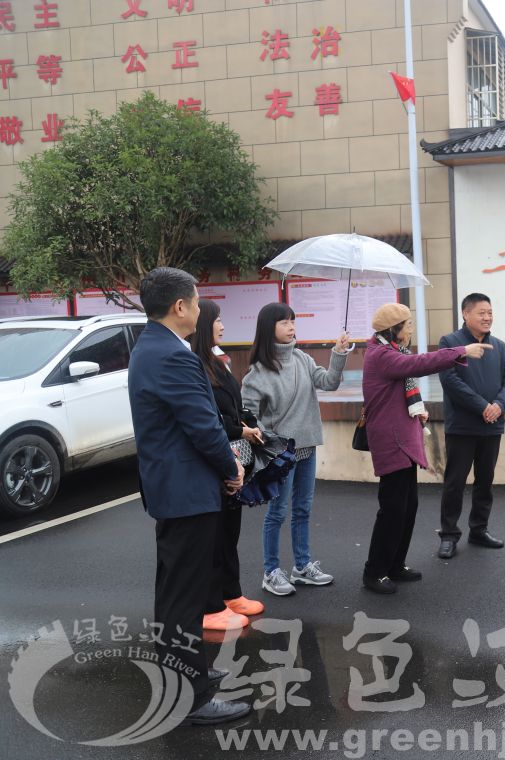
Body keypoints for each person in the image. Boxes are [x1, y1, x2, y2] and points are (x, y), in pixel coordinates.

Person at [127, 267, 250, 725]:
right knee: (184, 598)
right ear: (180, 307)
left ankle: (190, 673)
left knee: (178, 591)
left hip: (175, 489)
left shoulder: (153, 347)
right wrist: (231, 466)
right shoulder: (172, 355)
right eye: (197, 302)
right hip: (186, 490)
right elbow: (201, 425)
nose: (201, 310)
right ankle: (188, 697)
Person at [360, 303, 491, 594]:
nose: (410, 330)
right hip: (391, 440)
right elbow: (419, 364)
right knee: (392, 509)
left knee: (408, 507)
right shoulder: (381, 355)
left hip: (403, 438)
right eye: (407, 325)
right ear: (393, 329)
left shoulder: (392, 352)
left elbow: (408, 373)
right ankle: (375, 572)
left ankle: (395, 565)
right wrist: (460, 351)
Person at [242, 302, 352, 597]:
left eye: (293, 321)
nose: (291, 327)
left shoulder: (302, 358)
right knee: (277, 513)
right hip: (282, 455)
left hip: (307, 447)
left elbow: (329, 383)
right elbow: (248, 418)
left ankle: (302, 567)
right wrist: (269, 440)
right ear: (269, 329)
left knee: (302, 509)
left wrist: (338, 353)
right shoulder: (257, 374)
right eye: (284, 322)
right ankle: (271, 572)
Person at [190, 299, 265, 631]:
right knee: (213, 536)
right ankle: (210, 605)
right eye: (217, 320)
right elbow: (209, 418)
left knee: (229, 532)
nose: (222, 325)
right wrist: (239, 429)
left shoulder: (216, 361)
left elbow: (234, 406)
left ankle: (230, 594)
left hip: (237, 457)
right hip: (216, 461)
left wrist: (250, 423)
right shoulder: (193, 363)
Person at [436, 293, 505, 560]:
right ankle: (448, 535)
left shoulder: (500, 346)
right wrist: (482, 406)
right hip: (462, 426)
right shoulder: (450, 343)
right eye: (481, 312)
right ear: (465, 314)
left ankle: (479, 529)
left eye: (490, 312)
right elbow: (450, 381)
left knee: (485, 481)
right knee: (455, 482)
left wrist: (499, 405)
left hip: (492, 425)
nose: (487, 317)